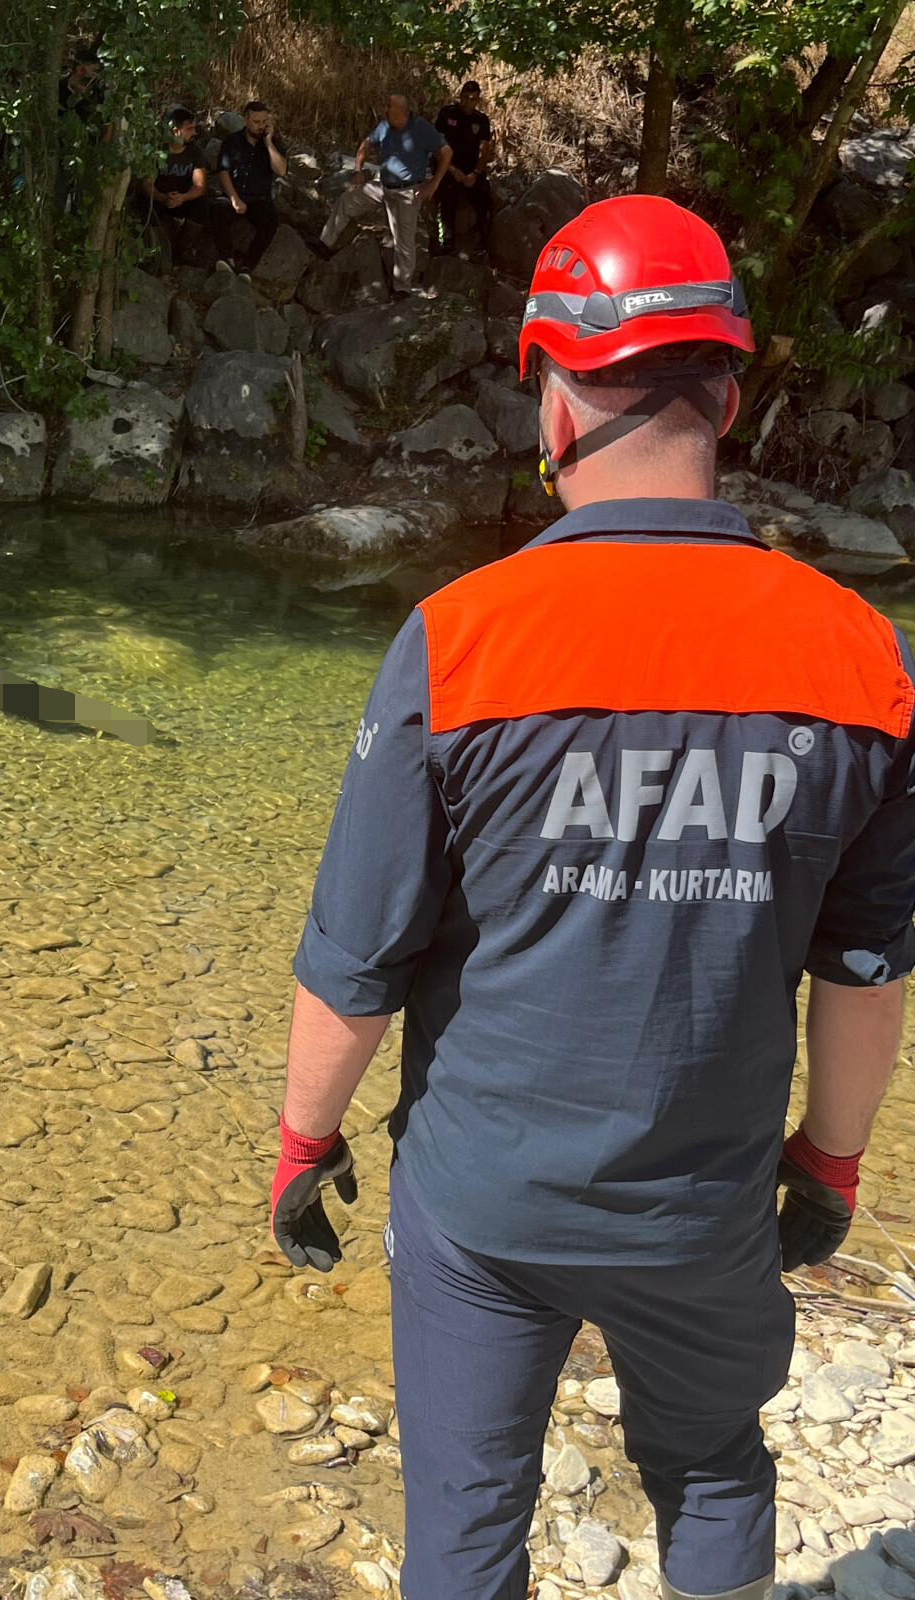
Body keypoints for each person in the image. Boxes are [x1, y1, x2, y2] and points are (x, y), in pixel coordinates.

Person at [271, 194, 915, 1600]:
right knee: (712, 1469)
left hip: (486, 1212)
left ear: (554, 399)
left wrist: (301, 1144)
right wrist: (829, 1164)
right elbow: (866, 969)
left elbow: (356, 961)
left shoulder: (459, 642)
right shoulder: (860, 656)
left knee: (465, 1519)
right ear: (729, 395)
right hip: (707, 1202)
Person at [312, 93, 451, 295]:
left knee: (403, 240)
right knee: (347, 200)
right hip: (383, 186)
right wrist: (358, 169)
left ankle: (402, 288)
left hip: (408, 191)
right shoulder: (385, 126)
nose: (385, 109)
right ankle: (324, 244)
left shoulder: (420, 127)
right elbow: (366, 143)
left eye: (388, 106)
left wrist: (434, 183)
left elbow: (446, 152)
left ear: (401, 111)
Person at [137, 107, 229, 264]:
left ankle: (182, 251)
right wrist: (162, 197)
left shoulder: (195, 152)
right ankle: (156, 254)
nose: (194, 133)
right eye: (189, 129)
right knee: (147, 206)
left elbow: (200, 186)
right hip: (159, 197)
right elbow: (146, 183)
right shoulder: (157, 150)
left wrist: (183, 198)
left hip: (182, 199)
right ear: (175, 131)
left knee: (202, 207)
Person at [215, 101, 288, 273]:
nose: (261, 126)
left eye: (264, 122)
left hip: (260, 200)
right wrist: (234, 198)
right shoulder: (232, 141)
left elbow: (281, 171)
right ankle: (227, 260)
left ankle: (248, 267)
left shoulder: (273, 143)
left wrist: (269, 142)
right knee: (216, 209)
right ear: (246, 120)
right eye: (256, 122)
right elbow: (223, 171)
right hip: (236, 195)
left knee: (271, 221)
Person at [434, 79, 494, 256]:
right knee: (446, 197)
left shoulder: (481, 120)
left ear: (478, 100)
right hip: (448, 166)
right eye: (466, 98)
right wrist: (452, 170)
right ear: (460, 97)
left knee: (485, 200)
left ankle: (482, 245)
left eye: (473, 99)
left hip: (471, 170)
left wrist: (475, 173)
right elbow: (436, 145)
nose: (469, 102)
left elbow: (484, 150)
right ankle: (447, 241)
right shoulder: (448, 114)